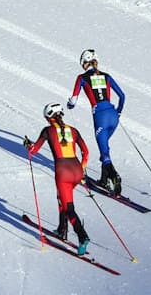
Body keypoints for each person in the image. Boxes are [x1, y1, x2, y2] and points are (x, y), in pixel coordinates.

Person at [25, 103, 92, 255]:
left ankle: (83, 236)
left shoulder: (48, 130)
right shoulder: (74, 130)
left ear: (49, 117)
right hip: (77, 170)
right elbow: (86, 152)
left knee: (69, 208)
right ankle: (62, 229)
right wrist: (82, 169)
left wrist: (27, 145)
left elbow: (34, 151)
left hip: (63, 172)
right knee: (62, 198)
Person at [67, 49, 126, 195]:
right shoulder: (106, 76)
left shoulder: (82, 78)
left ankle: (114, 176)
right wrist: (118, 111)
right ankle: (104, 179)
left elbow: (73, 101)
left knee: (104, 152)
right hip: (113, 115)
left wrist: (70, 105)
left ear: (84, 63)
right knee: (104, 148)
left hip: (100, 116)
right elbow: (122, 95)